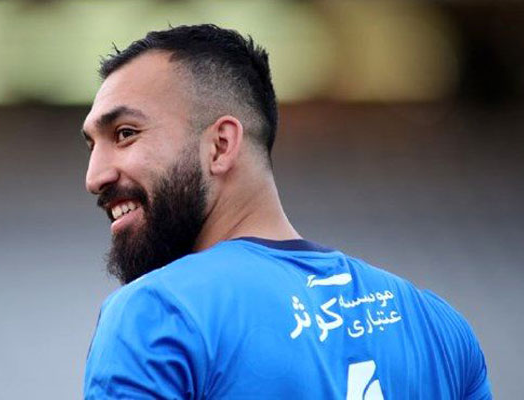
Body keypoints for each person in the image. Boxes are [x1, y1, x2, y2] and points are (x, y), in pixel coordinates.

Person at [80, 24, 492, 399]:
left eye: (125, 133)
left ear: (220, 145)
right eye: (92, 145)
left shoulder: (156, 315)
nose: (94, 177)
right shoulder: (438, 328)